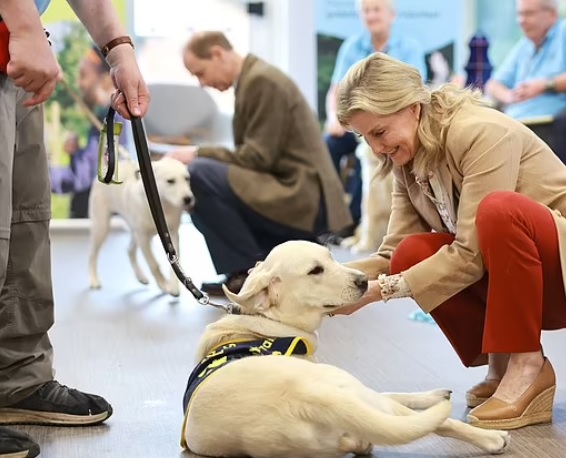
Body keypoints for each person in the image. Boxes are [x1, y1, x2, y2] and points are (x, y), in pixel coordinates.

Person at [331, 53, 566, 430]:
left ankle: (528, 363)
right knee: (412, 253)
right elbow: (393, 254)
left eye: (379, 133)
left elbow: (472, 252)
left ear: (412, 108)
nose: (376, 148)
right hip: (521, 266)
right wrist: (327, 279)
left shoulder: (478, 131)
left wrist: (381, 292)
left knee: (498, 212)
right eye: (366, 138)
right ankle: (504, 361)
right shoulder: (407, 155)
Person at [0, 0, 149, 456]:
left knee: (24, 221)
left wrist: (119, 50)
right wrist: (24, 25)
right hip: (16, 35)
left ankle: (16, 380)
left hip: (13, 58)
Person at [169, 31, 352, 296]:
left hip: (302, 197)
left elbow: (257, 157)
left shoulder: (261, 81)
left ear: (218, 54)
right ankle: (252, 266)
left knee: (199, 174)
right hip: (293, 189)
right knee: (204, 179)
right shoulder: (253, 80)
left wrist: (197, 153)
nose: (202, 83)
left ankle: (247, 272)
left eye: (200, 73)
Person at [484, 0, 566, 215]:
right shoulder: (525, 46)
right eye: (519, 15)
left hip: (554, 127)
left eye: (528, 14)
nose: (521, 21)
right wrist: (509, 96)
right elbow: (493, 84)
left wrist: (545, 85)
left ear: (551, 15)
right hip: (517, 126)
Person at [323, 0, 426, 240]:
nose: (371, 15)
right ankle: (334, 217)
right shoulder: (351, 47)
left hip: (387, 121)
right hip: (356, 125)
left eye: (376, 9)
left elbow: (416, 90)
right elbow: (336, 90)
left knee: (371, 154)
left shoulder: (409, 47)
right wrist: (333, 118)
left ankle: (354, 221)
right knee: (327, 145)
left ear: (391, 15)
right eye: (366, 11)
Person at [49, 46, 129, 218]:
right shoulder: (105, 119)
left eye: (83, 76)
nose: (79, 84)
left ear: (106, 80)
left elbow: (83, 178)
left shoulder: (113, 120)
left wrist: (38, 174)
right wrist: (75, 155)